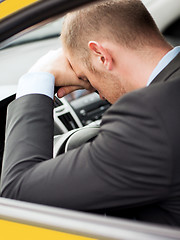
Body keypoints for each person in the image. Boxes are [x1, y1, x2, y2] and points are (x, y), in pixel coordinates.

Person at [1, 0, 180, 226]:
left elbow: (18, 194)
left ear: (101, 55)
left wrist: (38, 76)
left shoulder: (150, 118)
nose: (101, 97)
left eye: (88, 81)